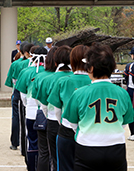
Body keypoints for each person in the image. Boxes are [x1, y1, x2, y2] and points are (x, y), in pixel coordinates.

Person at [62, 43, 133, 171]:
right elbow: (124, 122)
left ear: (91, 68)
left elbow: (72, 123)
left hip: (87, 147)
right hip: (116, 148)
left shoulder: (79, 93)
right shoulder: (122, 93)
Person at [47, 45, 91, 171]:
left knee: (65, 166)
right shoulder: (93, 80)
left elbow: (57, 109)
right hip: (89, 128)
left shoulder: (63, 81)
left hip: (66, 128)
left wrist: (63, 122)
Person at [34, 45, 72, 171]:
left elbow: (43, 105)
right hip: (76, 123)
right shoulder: (81, 78)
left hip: (53, 121)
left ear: (55, 62)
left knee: (55, 159)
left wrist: (52, 117)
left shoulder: (47, 79)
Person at [15, 46, 47, 171]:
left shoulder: (26, 72)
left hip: (31, 112)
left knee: (32, 143)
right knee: (46, 147)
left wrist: (29, 105)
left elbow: (22, 96)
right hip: (48, 114)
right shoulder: (52, 72)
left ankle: (32, 167)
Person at [31, 46, 58, 171]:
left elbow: (36, 99)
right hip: (62, 121)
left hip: (43, 115)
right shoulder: (67, 77)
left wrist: (44, 110)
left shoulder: (40, 77)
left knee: (43, 152)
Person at [123, 47, 134, 141]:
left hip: (131, 90)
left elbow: (126, 78)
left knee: (131, 111)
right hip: (131, 90)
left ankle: (133, 133)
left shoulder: (129, 66)